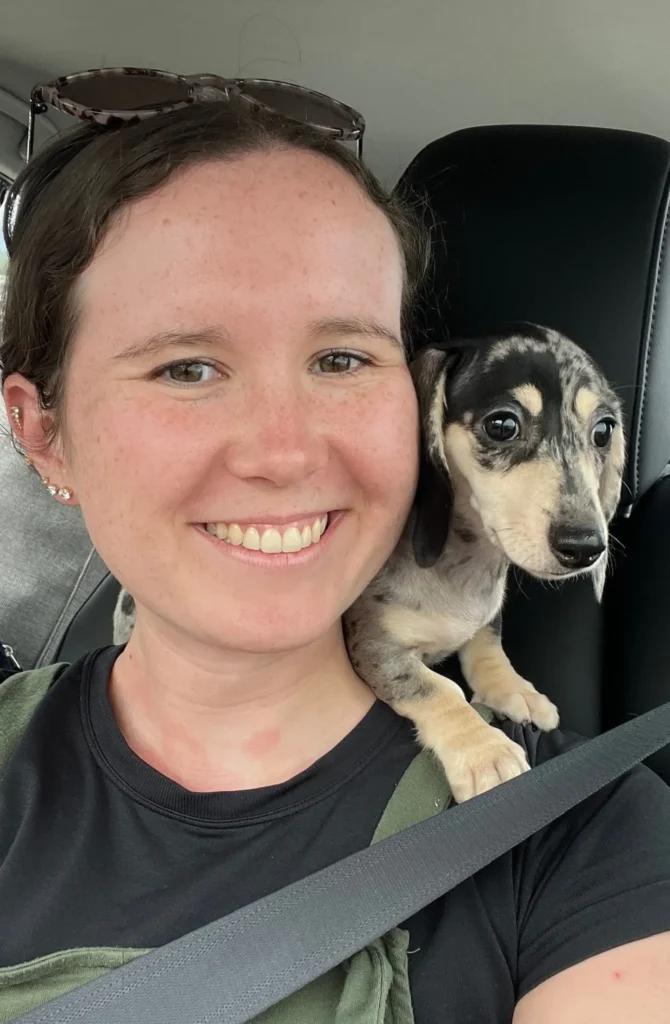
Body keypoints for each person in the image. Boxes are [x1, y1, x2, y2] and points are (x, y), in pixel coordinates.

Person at [1, 98, 669, 1024]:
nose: (284, 453)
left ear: (417, 403)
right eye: (187, 368)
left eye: (344, 359)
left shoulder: (593, 838)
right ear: (43, 434)